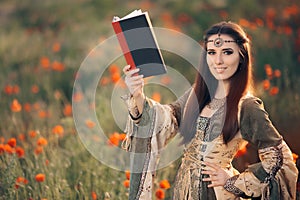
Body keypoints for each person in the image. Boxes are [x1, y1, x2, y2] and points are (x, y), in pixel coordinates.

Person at [121, 21, 298, 200]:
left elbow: (279, 158)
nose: (218, 61)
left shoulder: (247, 106)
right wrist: (138, 96)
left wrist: (234, 181)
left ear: (242, 56)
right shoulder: (196, 94)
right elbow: (166, 119)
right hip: (184, 192)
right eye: (212, 53)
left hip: (218, 193)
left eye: (227, 52)